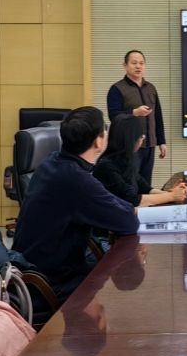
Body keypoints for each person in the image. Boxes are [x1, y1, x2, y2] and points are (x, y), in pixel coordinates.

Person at [13, 107, 139, 299]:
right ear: (98, 141)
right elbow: (128, 222)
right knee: (126, 293)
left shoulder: (51, 162)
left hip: (33, 269)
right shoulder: (76, 180)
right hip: (51, 283)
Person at [95, 114, 187, 207]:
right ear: (132, 139)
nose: (142, 140)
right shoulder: (106, 166)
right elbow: (132, 199)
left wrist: (170, 194)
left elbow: (145, 188)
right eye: (142, 136)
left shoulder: (127, 159)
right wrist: (171, 196)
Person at [107, 50, 166, 184]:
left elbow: (157, 116)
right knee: (131, 183)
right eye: (134, 63)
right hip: (129, 146)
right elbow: (114, 116)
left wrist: (162, 142)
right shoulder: (117, 88)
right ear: (125, 65)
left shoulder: (151, 88)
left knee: (146, 183)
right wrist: (134, 112)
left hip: (150, 144)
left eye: (141, 63)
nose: (138, 66)